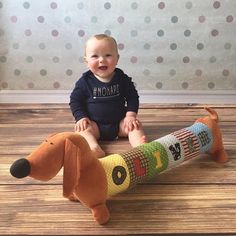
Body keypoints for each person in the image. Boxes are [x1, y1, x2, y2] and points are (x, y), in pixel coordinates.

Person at [69, 34, 146, 158]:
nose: (102, 60)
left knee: (135, 126)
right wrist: (81, 117)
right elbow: (75, 101)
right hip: (95, 126)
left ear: (117, 58)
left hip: (120, 123)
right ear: (86, 61)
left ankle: (141, 147)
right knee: (81, 130)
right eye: (95, 56)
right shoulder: (85, 82)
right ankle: (93, 147)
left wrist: (130, 116)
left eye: (108, 55)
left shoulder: (122, 78)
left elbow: (132, 97)